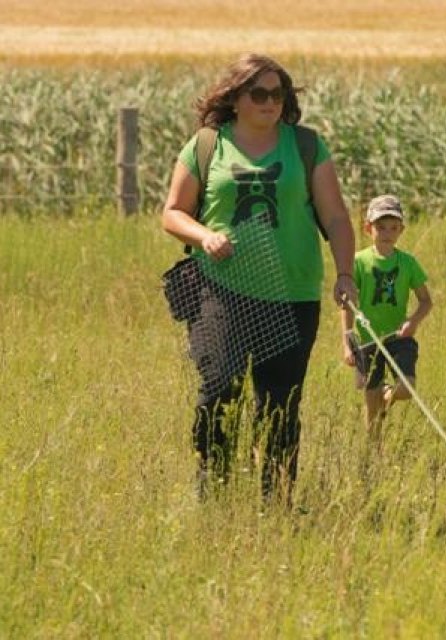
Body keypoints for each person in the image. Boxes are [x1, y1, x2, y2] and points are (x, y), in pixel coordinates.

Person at [161, 53, 358, 504]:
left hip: (294, 293)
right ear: (235, 99)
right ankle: (213, 488)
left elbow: (336, 218)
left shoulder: (307, 147)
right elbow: (172, 213)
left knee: (280, 404)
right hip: (222, 290)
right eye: (259, 93)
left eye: (278, 93)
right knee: (217, 390)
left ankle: (277, 502)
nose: (271, 102)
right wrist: (205, 235)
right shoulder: (207, 145)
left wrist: (345, 274)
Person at [340, 195, 433, 440]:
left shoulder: (408, 263)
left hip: (397, 339)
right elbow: (347, 303)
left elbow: (426, 301)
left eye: (393, 227)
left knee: (407, 387)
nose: (387, 233)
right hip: (368, 342)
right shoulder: (359, 261)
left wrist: (412, 321)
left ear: (401, 230)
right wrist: (348, 340)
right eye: (381, 227)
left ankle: (387, 396)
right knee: (372, 411)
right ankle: (373, 455)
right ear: (368, 228)